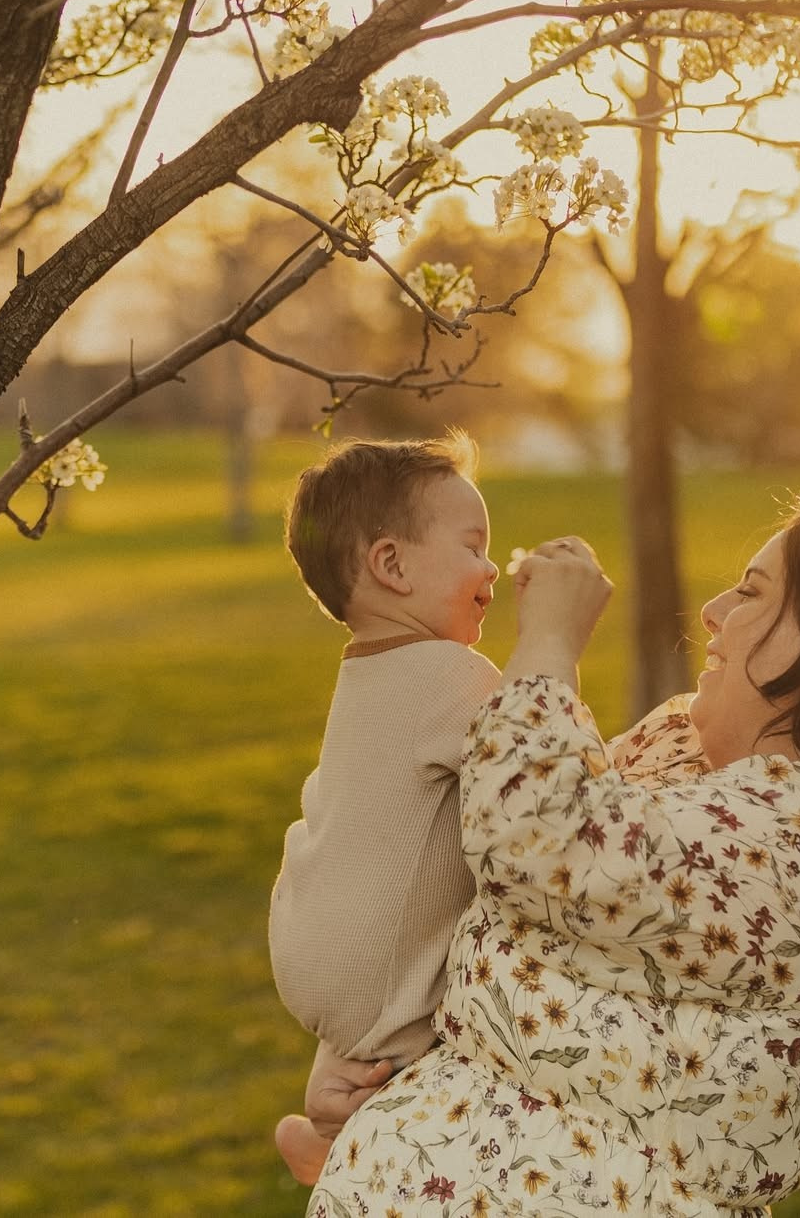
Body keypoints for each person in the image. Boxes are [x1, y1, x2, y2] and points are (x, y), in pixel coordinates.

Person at [301, 492, 800, 1215]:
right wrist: (380, 1040)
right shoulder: (688, 759)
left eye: (754, 592)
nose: (713, 611)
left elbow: (533, 841)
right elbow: (495, 905)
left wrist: (546, 645)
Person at [268, 433, 502, 1180]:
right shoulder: (450, 676)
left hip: (309, 936)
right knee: (442, 1072)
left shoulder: (364, 672)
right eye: (473, 546)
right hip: (369, 970)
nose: (492, 567)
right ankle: (350, 1154)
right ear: (391, 564)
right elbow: (549, 757)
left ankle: (331, 1131)